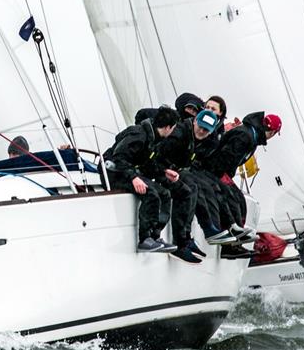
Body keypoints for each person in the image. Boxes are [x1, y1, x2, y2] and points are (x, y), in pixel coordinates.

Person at [202, 112, 282, 258]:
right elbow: (226, 156)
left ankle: (235, 242)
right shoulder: (245, 135)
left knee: (239, 201)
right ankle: (230, 243)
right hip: (214, 170)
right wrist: (221, 176)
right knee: (233, 199)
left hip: (220, 171)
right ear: (272, 132)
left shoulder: (251, 136)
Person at [155, 109, 231, 262]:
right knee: (186, 191)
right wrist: (165, 171)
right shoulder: (179, 135)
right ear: (195, 121)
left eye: (206, 130)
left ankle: (188, 237)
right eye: (201, 126)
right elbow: (158, 156)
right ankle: (180, 243)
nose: (202, 131)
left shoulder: (203, 140)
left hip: (175, 170)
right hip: (159, 170)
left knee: (196, 186)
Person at [103, 106, 181, 253]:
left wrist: (163, 172)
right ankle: (144, 239)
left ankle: (154, 236)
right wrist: (133, 178)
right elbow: (119, 157)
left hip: (128, 171)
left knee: (164, 194)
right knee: (151, 194)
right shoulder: (139, 134)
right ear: (168, 127)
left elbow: (148, 164)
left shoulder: (154, 137)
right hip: (115, 172)